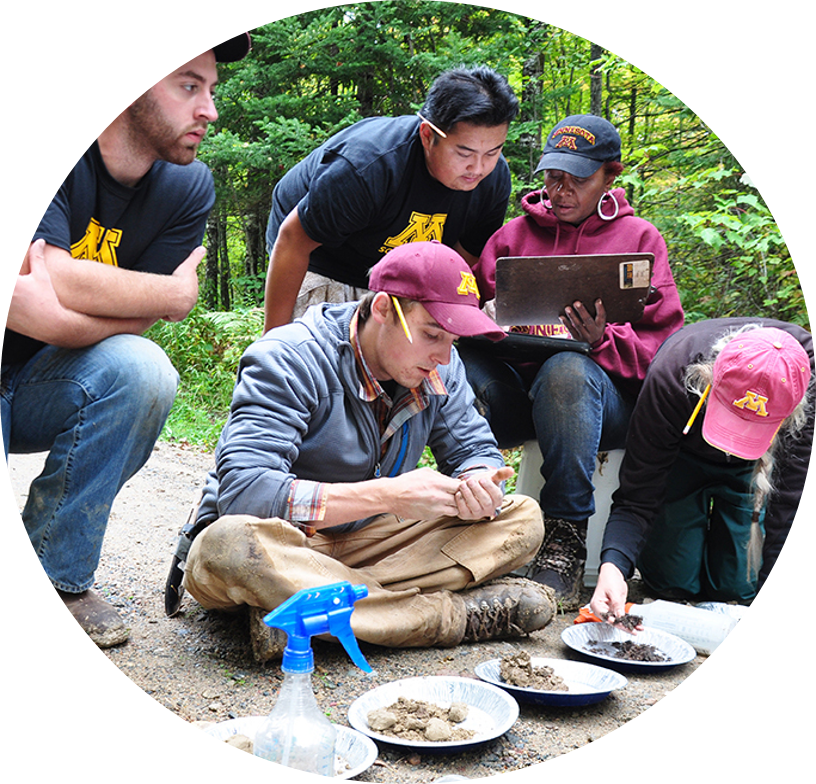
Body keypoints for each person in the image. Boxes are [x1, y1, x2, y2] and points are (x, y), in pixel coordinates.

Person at [170, 241, 554, 662]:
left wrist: (479, 481)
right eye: (432, 334)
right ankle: (449, 617)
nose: (444, 356)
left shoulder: (441, 367)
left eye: (453, 340)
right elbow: (246, 493)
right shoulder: (288, 357)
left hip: (366, 544)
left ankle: (301, 604)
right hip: (284, 540)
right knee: (227, 547)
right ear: (384, 308)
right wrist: (388, 496)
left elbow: (474, 448)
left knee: (522, 519)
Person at [4, 33, 252, 648]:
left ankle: (58, 575)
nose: (209, 110)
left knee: (143, 370)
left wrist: (54, 317)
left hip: (42, 381)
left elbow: (122, 315)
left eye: (211, 88)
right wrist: (169, 293)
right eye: (188, 86)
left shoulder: (187, 186)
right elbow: (59, 274)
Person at [459, 114, 685, 609]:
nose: (560, 191)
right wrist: (482, 319)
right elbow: (464, 309)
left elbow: (663, 352)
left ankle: (565, 533)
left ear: (609, 175)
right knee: (454, 359)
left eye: (577, 180)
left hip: (602, 405)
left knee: (567, 368)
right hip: (521, 395)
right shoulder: (512, 237)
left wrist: (602, 341)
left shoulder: (640, 240)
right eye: (552, 177)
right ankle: (467, 509)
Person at [262, 65, 519, 331]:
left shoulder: (494, 180)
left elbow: (459, 261)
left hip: (396, 266)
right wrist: (272, 341)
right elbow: (292, 242)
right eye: (464, 154)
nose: (478, 168)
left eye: (492, 152)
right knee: (321, 347)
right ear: (427, 135)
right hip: (321, 253)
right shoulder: (367, 168)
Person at [591, 319, 813, 620]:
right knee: (670, 581)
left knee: (739, 589)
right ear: (708, 379)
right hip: (685, 454)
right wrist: (613, 567)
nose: (731, 446)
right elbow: (637, 495)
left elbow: (790, 503)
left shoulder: (808, 393)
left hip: (755, 468)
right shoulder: (672, 375)